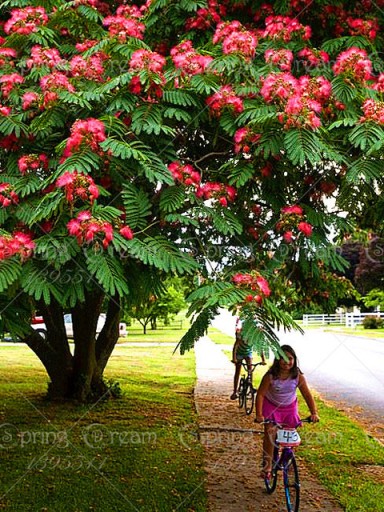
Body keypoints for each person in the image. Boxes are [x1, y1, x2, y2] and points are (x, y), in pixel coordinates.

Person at [255, 344, 319, 477]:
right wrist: (259, 414)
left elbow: (307, 395)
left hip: (289, 407)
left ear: (294, 360)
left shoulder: (298, 376)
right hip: (271, 406)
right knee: (270, 433)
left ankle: (287, 456)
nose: (287, 361)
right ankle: (267, 466)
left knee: (290, 435)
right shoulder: (270, 376)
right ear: (277, 360)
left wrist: (314, 412)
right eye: (283, 358)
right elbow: (260, 394)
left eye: (290, 358)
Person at [230, 316, 266, 400]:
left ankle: (250, 387)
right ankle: (235, 391)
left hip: (248, 353)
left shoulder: (255, 336)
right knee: (237, 371)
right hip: (239, 353)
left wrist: (263, 360)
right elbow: (235, 346)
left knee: (250, 370)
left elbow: (260, 348)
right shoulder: (241, 335)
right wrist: (234, 358)